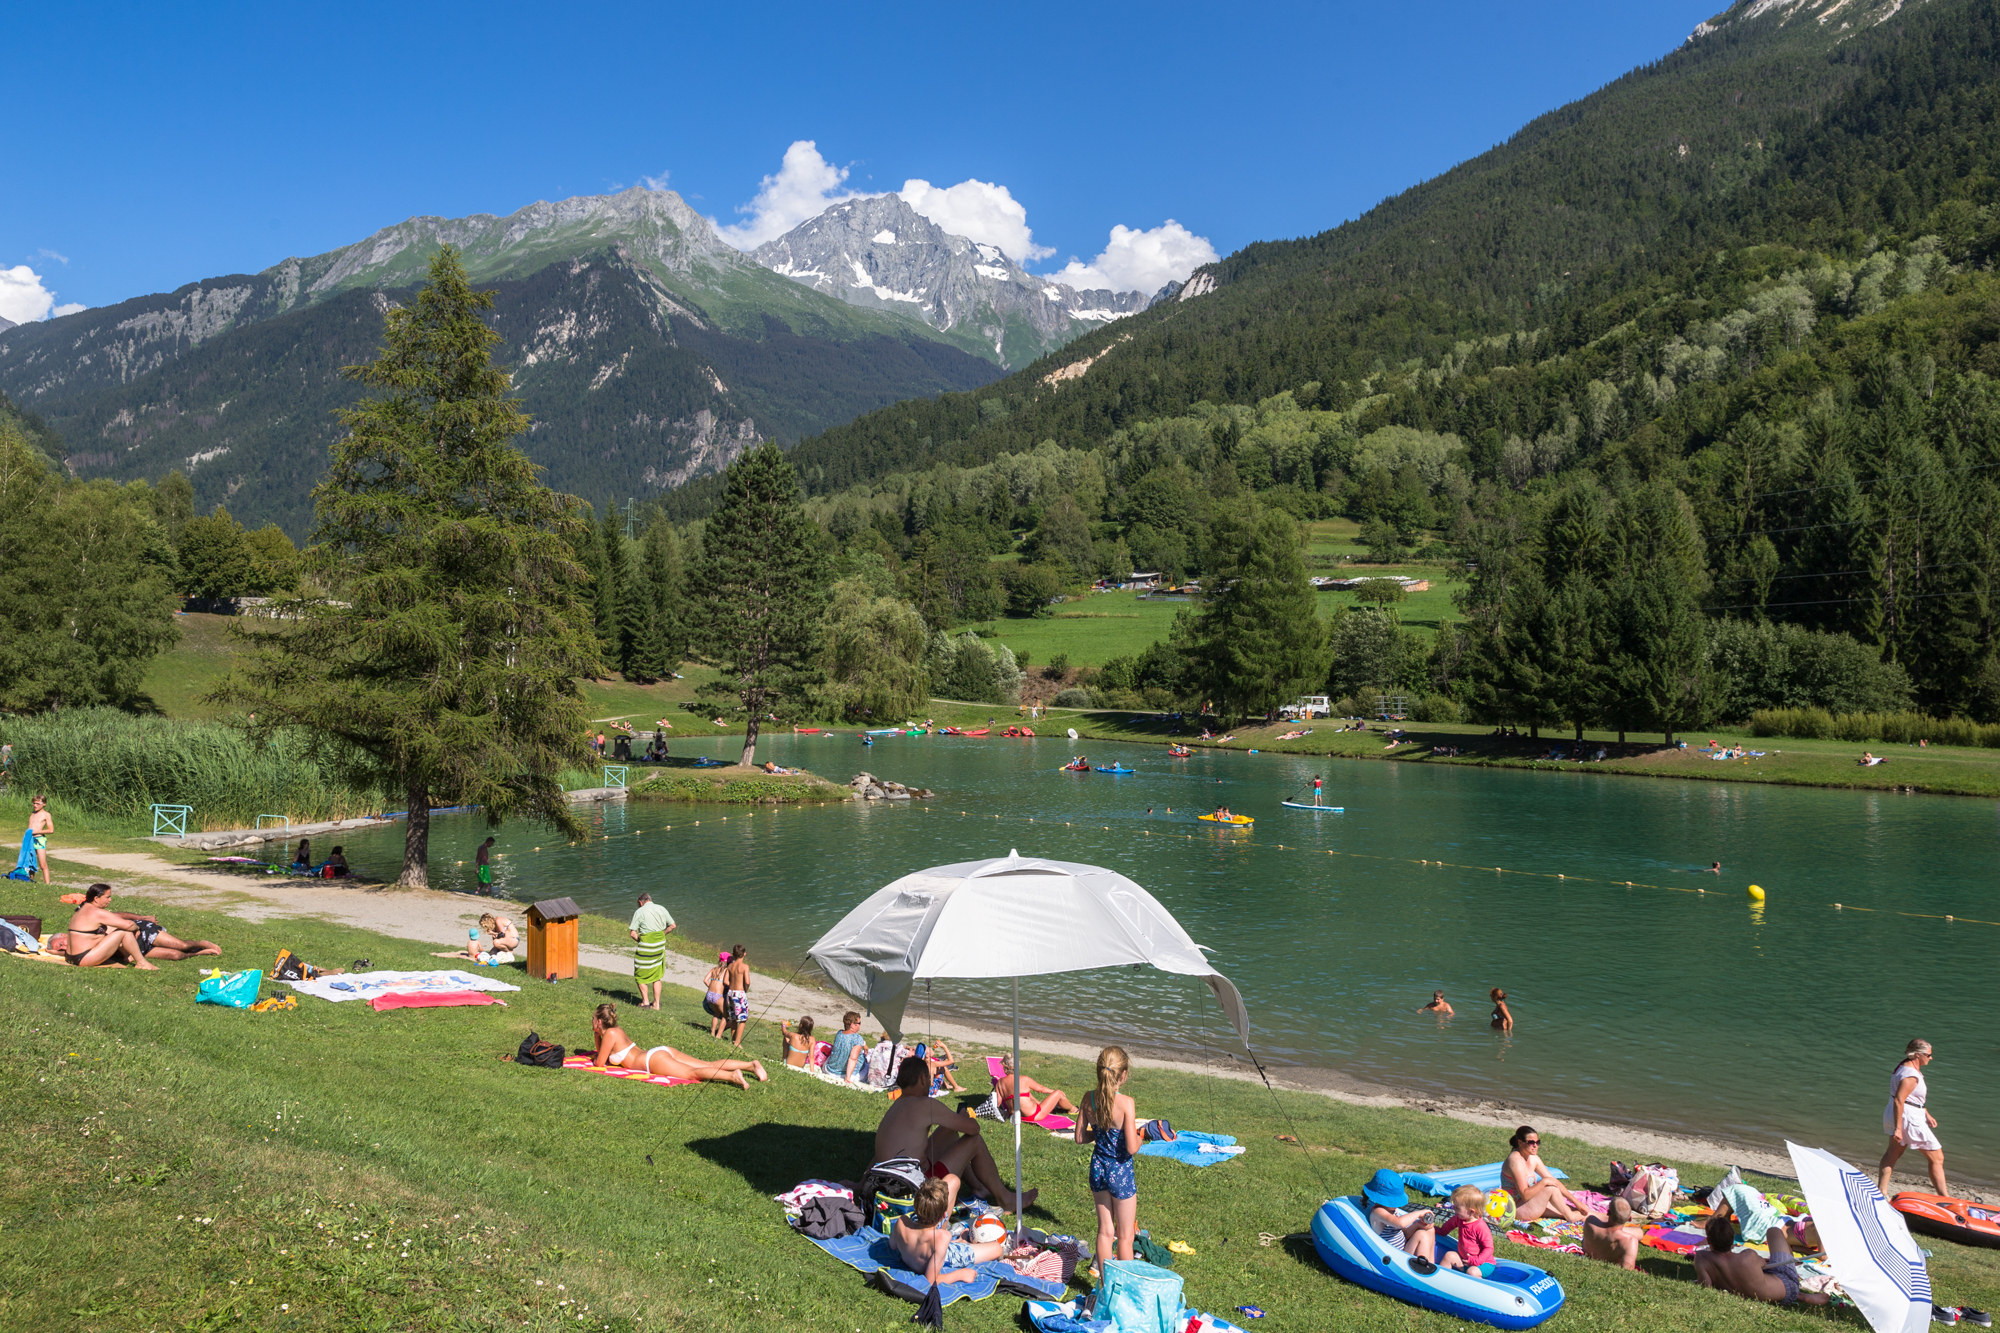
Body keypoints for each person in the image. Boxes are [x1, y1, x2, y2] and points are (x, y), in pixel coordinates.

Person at [875, 1056, 1035, 1216]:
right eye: (930, 1078)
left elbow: (884, 1150)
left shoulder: (896, 1106)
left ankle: (979, 1188)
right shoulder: (925, 1104)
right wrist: (965, 1118)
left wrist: (860, 1184)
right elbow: (974, 1130)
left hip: (888, 1182)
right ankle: (1006, 1199)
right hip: (917, 1188)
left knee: (949, 1131)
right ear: (923, 1079)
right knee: (974, 1142)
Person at [1076, 1046, 1144, 1270]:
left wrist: (1097, 1133)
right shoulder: (1126, 1103)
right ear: (1123, 1075)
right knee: (1125, 1236)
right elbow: (1131, 1147)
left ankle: (1105, 1287)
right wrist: (1142, 1137)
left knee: (1105, 1231)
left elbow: (1079, 1137)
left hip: (1098, 1168)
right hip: (1120, 1171)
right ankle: (1125, 1287)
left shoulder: (1088, 1098)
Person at [590, 1003, 764, 1087]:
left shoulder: (610, 1034)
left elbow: (599, 1062)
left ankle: (733, 1076)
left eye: (593, 1020)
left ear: (599, 1022)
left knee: (692, 1073)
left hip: (652, 1061)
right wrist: (598, 1034)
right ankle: (750, 1065)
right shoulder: (615, 1030)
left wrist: (597, 1035)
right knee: (706, 1064)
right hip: (659, 1052)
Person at [890, 1178, 1009, 1288]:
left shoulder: (902, 1222)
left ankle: (960, 1241)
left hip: (924, 1246)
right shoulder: (942, 1237)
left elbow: (893, 1245)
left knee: (954, 1179)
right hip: (943, 1251)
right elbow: (931, 1280)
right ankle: (963, 1240)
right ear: (944, 1215)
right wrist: (960, 1274)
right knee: (996, 1248)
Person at [1694, 1212, 1826, 1307]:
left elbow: (1705, 1286)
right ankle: (1800, 1295)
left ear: (1709, 1240)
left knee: (1755, 1278)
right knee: (1774, 1231)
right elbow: (1764, 1264)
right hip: (1788, 1288)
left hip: (1769, 1295)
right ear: (1732, 1240)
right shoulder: (1748, 1256)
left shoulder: (1701, 1259)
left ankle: (1802, 1297)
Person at [65, 883, 219, 963]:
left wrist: (142, 919)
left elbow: (120, 916)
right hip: (132, 945)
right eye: (108, 897)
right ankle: (199, 952)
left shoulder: (99, 913)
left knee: (182, 945)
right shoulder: (89, 913)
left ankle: (201, 943)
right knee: (175, 955)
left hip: (143, 932)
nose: (110, 900)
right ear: (96, 898)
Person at [1878, 1038, 1947, 1196]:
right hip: (1907, 1118)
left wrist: (1926, 1113)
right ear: (1918, 1055)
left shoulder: (1903, 1066)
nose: (1931, 1058)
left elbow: (1911, 1098)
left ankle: (1882, 1192)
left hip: (1901, 1114)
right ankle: (1945, 1198)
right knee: (1937, 1158)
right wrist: (1898, 1128)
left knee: (1893, 1153)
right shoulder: (1911, 1075)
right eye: (1928, 1055)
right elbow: (1899, 1100)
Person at [1503, 1126, 1586, 1222]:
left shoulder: (1533, 1158)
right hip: (1515, 1208)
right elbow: (1525, 1195)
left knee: (1579, 1211)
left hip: (1529, 1203)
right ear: (1520, 1142)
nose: (1535, 1145)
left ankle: (1599, 1219)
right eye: (1531, 1142)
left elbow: (1554, 1181)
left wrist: (1576, 1202)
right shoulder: (1515, 1161)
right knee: (1550, 1187)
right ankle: (1570, 1217)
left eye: (1537, 1142)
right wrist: (1544, 1182)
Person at [1361, 1168, 1437, 1261]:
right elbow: (1400, 1223)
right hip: (1394, 1258)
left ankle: (1432, 1264)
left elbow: (1401, 1233)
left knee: (1430, 1230)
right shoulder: (1378, 1212)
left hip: (1402, 1249)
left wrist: (1417, 1225)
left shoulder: (1392, 1210)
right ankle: (1425, 1270)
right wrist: (1418, 1213)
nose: (1396, 1204)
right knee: (1421, 1235)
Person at [628, 892, 676, 1010]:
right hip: (659, 946)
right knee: (656, 975)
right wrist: (662, 935)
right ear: (650, 899)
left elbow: (633, 933)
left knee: (640, 973)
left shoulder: (639, 911)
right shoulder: (661, 908)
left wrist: (640, 940)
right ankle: (656, 1003)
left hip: (646, 946)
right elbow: (672, 925)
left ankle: (645, 1002)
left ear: (640, 902)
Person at [995, 1053, 1077, 1121]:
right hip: (1033, 1115)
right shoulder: (1024, 1079)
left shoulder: (999, 1083)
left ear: (1004, 1066)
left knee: (1023, 1094)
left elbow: (998, 1102)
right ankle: (1073, 1109)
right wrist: (1054, 1092)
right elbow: (1041, 1089)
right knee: (1058, 1093)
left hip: (1017, 1116)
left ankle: (1052, 1106)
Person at [1437, 1184, 1496, 1275]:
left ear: (1471, 1211)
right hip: (1465, 1260)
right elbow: (1444, 1229)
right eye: (1454, 1206)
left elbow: (1489, 1248)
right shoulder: (1459, 1218)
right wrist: (1433, 1229)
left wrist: (1477, 1261)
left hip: (1483, 1263)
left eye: (1457, 1208)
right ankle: (1439, 1279)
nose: (1454, 1210)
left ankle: (1477, 1286)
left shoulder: (1480, 1226)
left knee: (1471, 1271)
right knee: (1449, 1256)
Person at [1582, 1196, 1642, 1270]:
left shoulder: (1590, 1221)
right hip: (1608, 1263)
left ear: (1608, 1212)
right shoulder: (1630, 1241)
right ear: (1630, 1219)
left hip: (1587, 1253)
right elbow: (1627, 1270)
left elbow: (1601, 1219)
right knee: (1639, 1232)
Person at [826, 1011, 869, 1083]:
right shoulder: (857, 1039)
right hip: (846, 1074)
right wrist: (848, 1077)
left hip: (830, 1069)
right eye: (859, 1023)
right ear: (852, 1025)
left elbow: (849, 1039)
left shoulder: (839, 1033)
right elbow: (853, 1058)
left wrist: (864, 1044)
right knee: (868, 1067)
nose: (860, 1025)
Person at [722, 942, 751, 1048]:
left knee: (733, 1018)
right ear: (744, 954)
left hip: (730, 993)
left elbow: (725, 981)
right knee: (743, 1019)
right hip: (739, 994)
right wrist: (745, 989)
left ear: (733, 954)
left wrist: (732, 986)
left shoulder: (730, 966)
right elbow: (747, 982)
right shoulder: (745, 967)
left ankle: (734, 1040)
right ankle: (737, 1042)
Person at [27, 794, 54, 884]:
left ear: (44, 804)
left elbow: (51, 830)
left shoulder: (46, 815)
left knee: (43, 865)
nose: (35, 805)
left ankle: (47, 884)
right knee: (30, 862)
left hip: (39, 840)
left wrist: (36, 831)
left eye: (38, 804)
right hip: (30, 839)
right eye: (34, 803)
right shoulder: (33, 813)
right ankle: (31, 880)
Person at [702, 955, 730, 1039]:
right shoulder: (726, 971)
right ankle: (718, 1035)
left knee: (716, 1013)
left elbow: (705, 980)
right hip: (718, 995)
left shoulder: (714, 969)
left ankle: (712, 1032)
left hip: (709, 994)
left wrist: (711, 987)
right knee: (726, 1015)